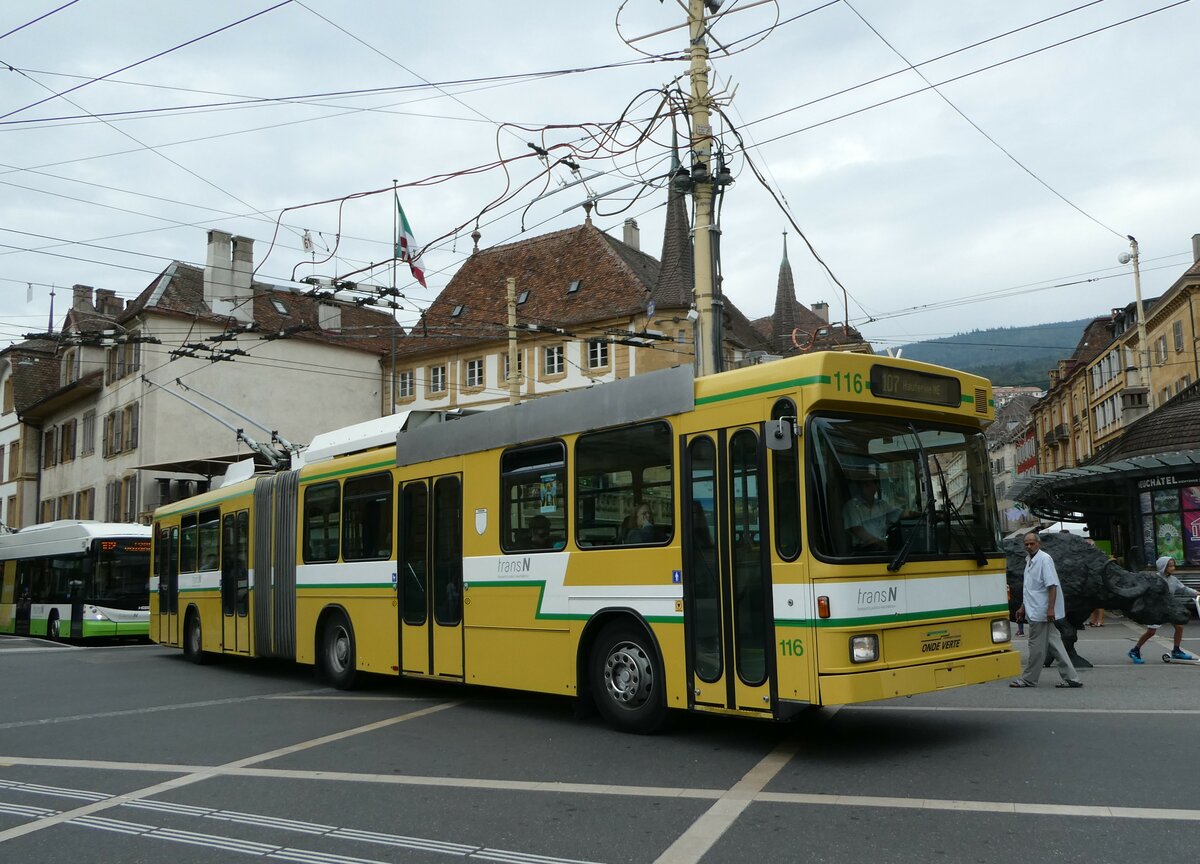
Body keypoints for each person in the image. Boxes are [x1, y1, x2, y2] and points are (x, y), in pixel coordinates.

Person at [1011, 532, 1083, 688]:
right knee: (1055, 643)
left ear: (1039, 543)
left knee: (1036, 646)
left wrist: (1050, 609)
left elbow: (1052, 586)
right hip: (1035, 608)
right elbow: (1029, 589)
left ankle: (1029, 679)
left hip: (1041, 611)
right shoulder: (1029, 560)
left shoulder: (1044, 560)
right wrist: (1022, 607)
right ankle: (1072, 677)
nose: (1029, 546)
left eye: (1032, 543)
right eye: (1026, 544)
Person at [1128, 556, 1198, 663]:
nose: (1173, 568)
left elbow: (1183, 588)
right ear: (1163, 567)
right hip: (1157, 609)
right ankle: (1135, 650)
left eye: (1173, 565)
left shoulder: (1173, 579)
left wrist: (1196, 592)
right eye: (1170, 566)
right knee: (1151, 632)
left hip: (1169, 608)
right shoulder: (1155, 579)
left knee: (1179, 627)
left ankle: (1176, 650)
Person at [842, 474, 898, 551]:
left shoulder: (882, 505)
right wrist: (880, 543)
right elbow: (858, 530)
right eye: (862, 485)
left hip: (881, 547)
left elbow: (899, 513)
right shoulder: (852, 505)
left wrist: (918, 514)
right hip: (864, 549)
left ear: (876, 486)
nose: (864, 488)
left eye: (867, 485)